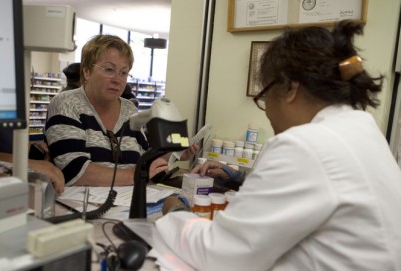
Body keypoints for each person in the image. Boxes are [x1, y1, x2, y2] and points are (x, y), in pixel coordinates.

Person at [157, 20, 401, 271]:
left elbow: (222, 255)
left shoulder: (305, 145)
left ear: (291, 88)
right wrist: (236, 176)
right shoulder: (361, 129)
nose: (268, 113)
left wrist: (176, 213)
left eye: (264, 96)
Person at [45, 34, 197, 187]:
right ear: (86, 72)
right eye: (109, 69)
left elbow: (145, 161)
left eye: (123, 72)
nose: (117, 79)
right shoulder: (67, 103)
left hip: (129, 202)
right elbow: (74, 171)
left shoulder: (128, 109)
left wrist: (174, 154)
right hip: (83, 206)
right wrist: (135, 174)